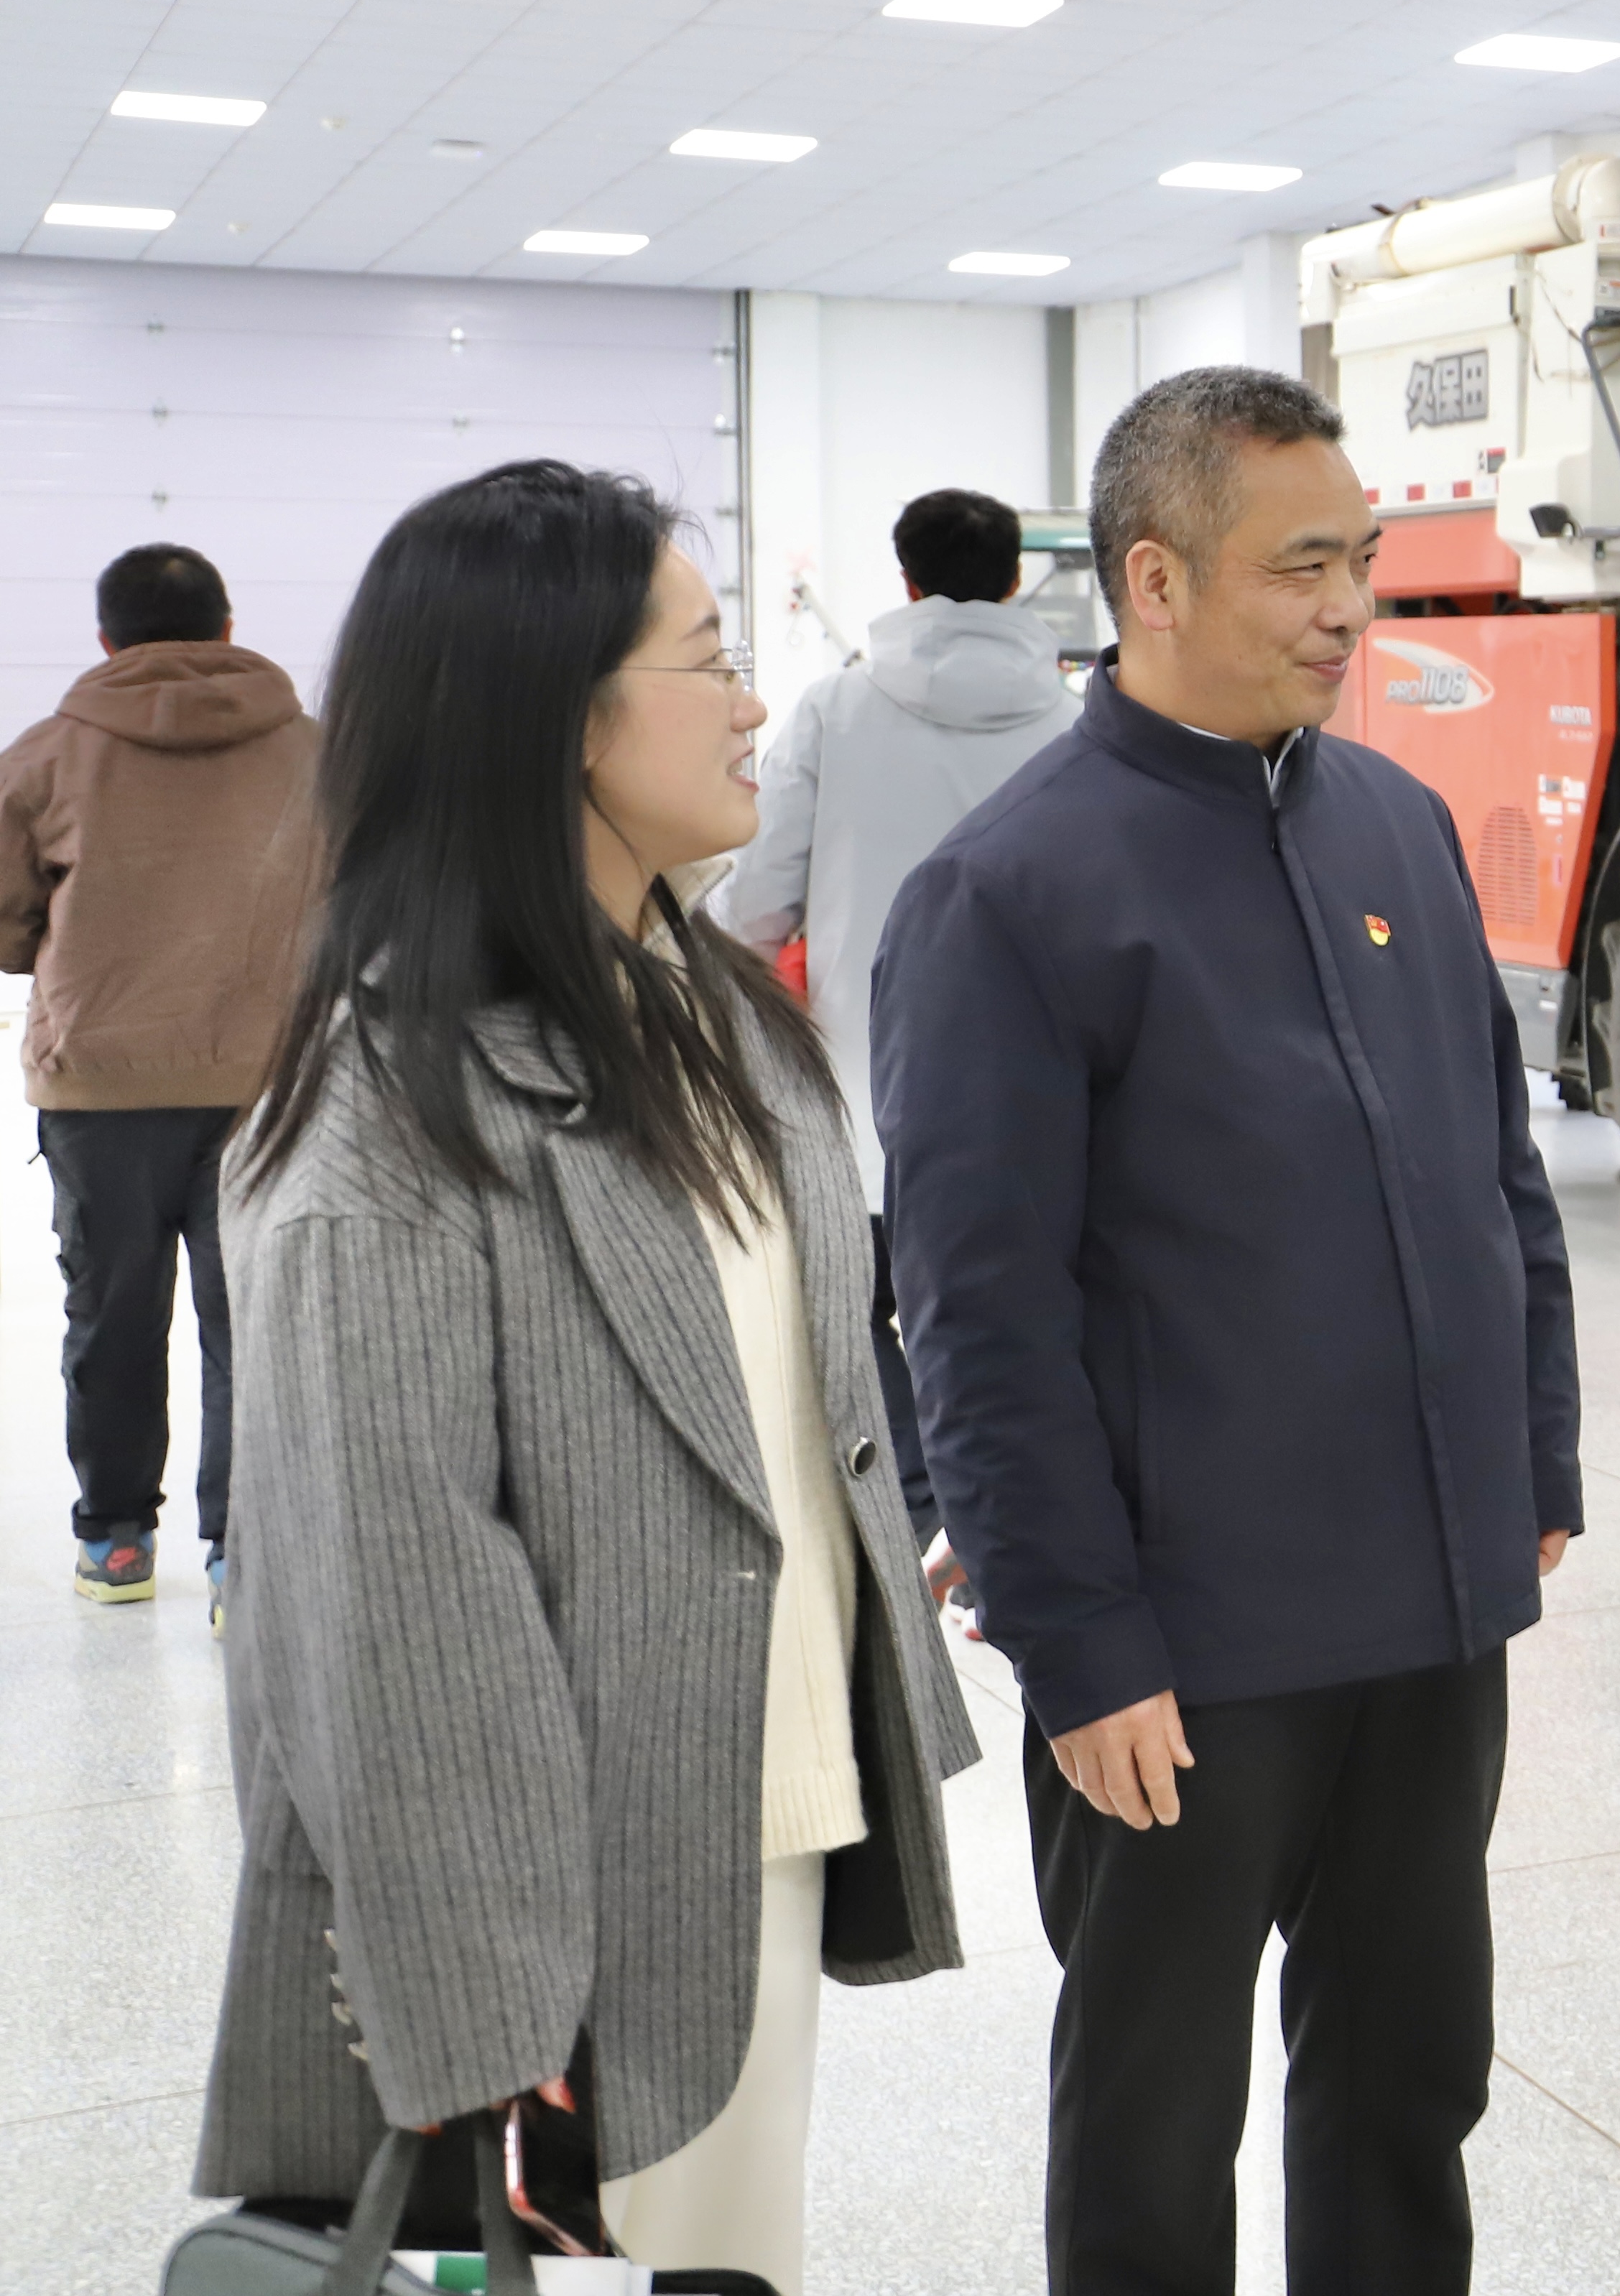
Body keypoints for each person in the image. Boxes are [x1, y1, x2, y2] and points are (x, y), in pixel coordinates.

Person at [193, 463, 973, 2288]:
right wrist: (485, 2012)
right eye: (708, 658)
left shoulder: (703, 1002)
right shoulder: (389, 1113)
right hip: (567, 1901)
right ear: (558, 717)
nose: (756, 702)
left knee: (737, 2245)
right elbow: (385, 1607)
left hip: (754, 1809)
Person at [876, 366, 1581, 2296]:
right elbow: (978, 1318)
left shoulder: (1397, 828)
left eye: (1361, 559)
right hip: (1181, 1656)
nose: (1350, 608)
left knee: (1410, 2081)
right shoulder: (1010, 893)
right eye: (1301, 568)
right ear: (1156, 581)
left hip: (1428, 1619)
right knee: (1155, 2130)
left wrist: (1531, 1459)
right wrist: (1078, 1644)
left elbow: (1494, 1174)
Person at [711, 483, 1074, 1553]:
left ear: (906, 582)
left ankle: (919, 1506)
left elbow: (752, 907)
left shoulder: (835, 710)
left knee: (859, 1313)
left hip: (870, 1105)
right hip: (1044, 1118)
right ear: (1016, 580)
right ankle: (1008, 1521)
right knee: (1024, 1323)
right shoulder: (1079, 721)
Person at [0, 543, 322, 1614]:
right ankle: (243, 1557)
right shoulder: (320, 754)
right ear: (229, 628)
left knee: (111, 1319)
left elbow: (5, 925)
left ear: (106, 641)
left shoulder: (44, 756)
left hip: (102, 1087)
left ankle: (117, 1541)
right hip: (272, 1087)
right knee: (255, 1323)